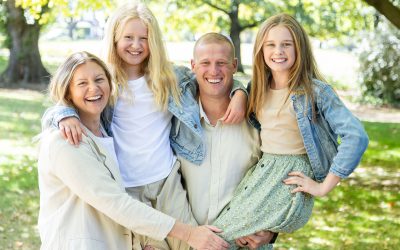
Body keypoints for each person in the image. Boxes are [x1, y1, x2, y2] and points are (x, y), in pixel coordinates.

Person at [41, 2, 246, 249]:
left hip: (166, 180)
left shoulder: (171, 77)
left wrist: (240, 92)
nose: (136, 45)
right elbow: (67, 99)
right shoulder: (105, 81)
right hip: (127, 187)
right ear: (114, 39)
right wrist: (64, 113)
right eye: (128, 37)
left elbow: (212, 78)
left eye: (144, 38)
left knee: (196, 243)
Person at [210, 13, 369, 248]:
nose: (278, 51)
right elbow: (235, 85)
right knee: (247, 243)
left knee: (218, 240)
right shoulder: (257, 88)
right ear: (261, 50)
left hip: (287, 181)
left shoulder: (316, 92)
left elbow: (356, 137)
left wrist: (323, 187)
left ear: (299, 48)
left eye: (286, 44)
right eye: (271, 45)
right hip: (261, 175)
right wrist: (240, 93)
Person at [175, 33, 278, 249]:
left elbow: (279, 179)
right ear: (193, 66)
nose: (213, 71)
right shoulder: (176, 121)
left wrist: (270, 231)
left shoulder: (258, 122)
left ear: (234, 65)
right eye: (205, 63)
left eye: (221, 63)